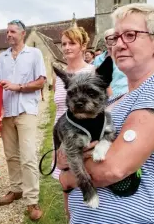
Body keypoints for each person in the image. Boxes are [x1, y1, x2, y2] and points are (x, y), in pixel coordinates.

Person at [57, 3, 154, 223]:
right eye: (115, 38)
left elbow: (113, 168)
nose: (119, 44)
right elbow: (61, 156)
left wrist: (69, 177)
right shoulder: (111, 102)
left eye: (130, 35)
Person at [0, 19, 46, 221]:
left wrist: (19, 87)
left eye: (12, 31)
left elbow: (41, 81)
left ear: (23, 33)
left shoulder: (34, 54)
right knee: (10, 155)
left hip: (25, 110)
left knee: (28, 156)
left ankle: (32, 200)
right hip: (6, 112)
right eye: (7, 31)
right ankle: (16, 189)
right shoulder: (2, 57)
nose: (8, 35)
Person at [52, 26, 94, 220]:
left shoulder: (92, 72)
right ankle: (70, 217)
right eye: (64, 44)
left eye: (72, 43)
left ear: (83, 45)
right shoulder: (58, 75)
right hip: (62, 138)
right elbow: (59, 108)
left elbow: (107, 105)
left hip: (84, 138)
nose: (67, 47)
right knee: (66, 184)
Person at [94, 29, 129, 97]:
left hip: (123, 96)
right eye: (110, 39)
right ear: (105, 41)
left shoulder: (124, 57)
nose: (113, 41)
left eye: (115, 38)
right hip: (105, 98)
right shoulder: (98, 59)